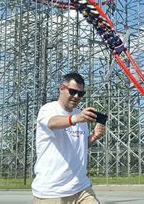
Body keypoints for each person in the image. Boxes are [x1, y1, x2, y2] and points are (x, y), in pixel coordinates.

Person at [32, 72, 105, 204]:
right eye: (72, 91)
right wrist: (75, 119)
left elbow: (79, 146)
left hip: (81, 188)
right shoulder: (48, 109)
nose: (76, 96)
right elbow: (52, 122)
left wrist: (94, 137)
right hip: (52, 192)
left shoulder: (80, 115)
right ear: (61, 88)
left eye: (80, 94)